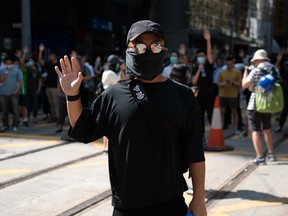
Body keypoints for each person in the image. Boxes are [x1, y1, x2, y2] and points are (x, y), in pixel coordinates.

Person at [55, 20, 206, 216]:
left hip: (171, 203)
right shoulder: (113, 95)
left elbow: (195, 151)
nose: (149, 51)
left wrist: (199, 198)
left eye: (155, 45)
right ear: (129, 51)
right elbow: (83, 129)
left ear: (164, 49)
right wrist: (72, 95)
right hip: (127, 207)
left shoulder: (183, 96)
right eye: (140, 46)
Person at [242, 49, 279, 164]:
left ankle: (260, 157)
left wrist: (245, 72)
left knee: (255, 131)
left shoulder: (255, 70)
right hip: (268, 103)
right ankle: (271, 153)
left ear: (257, 60)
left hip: (255, 104)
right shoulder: (274, 69)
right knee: (267, 130)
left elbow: (245, 84)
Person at [217, 55, 242, 134]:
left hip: (233, 95)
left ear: (233, 63)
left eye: (230, 64)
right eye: (227, 64)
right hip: (223, 94)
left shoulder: (237, 72)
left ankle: (235, 128)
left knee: (234, 112)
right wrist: (223, 84)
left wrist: (233, 83)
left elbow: (240, 83)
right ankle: (220, 127)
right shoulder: (222, 72)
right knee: (222, 112)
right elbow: (218, 83)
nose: (229, 66)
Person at [0, 55, 23, 132]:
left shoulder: (17, 70)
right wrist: (3, 76)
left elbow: (20, 82)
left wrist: (16, 91)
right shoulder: (1, 70)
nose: (8, 64)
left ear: (12, 63)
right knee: (4, 111)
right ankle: (6, 125)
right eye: (7, 63)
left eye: (10, 63)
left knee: (15, 111)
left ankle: (15, 125)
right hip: (3, 93)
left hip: (13, 94)